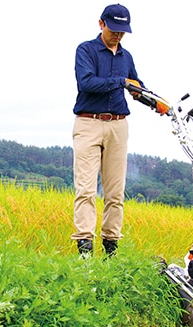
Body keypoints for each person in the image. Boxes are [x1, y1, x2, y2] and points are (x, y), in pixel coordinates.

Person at [71, 4, 144, 257]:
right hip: (88, 124)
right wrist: (121, 82)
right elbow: (86, 82)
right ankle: (85, 251)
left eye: (123, 31)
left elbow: (136, 85)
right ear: (101, 24)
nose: (118, 35)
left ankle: (111, 250)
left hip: (118, 126)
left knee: (115, 192)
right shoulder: (86, 50)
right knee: (86, 190)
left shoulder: (127, 57)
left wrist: (150, 98)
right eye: (114, 29)